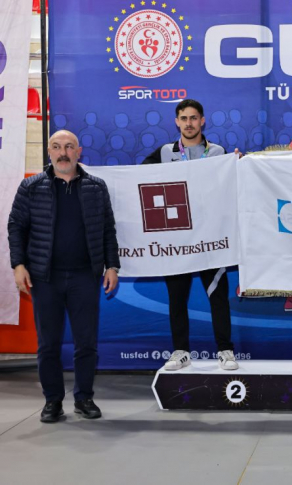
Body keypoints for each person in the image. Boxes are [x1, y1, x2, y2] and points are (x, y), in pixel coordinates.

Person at [8, 130, 120, 423]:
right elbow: (16, 226)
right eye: (56, 147)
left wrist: (112, 266)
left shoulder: (96, 187)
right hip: (45, 278)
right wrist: (18, 265)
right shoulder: (31, 187)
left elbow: (108, 229)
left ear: (78, 152)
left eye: (69, 147)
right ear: (49, 151)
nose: (63, 153)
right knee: (48, 344)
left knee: (86, 343)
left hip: (85, 276)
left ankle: (84, 398)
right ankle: (52, 401)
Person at [142, 99, 238, 371]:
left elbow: (232, 184)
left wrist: (238, 164)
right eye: (184, 118)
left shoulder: (218, 152)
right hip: (178, 239)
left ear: (202, 120)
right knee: (177, 298)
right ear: (177, 122)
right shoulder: (164, 152)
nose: (189, 123)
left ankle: (225, 351)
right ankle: (181, 352)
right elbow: (138, 178)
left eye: (194, 118)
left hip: (211, 238)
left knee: (218, 296)